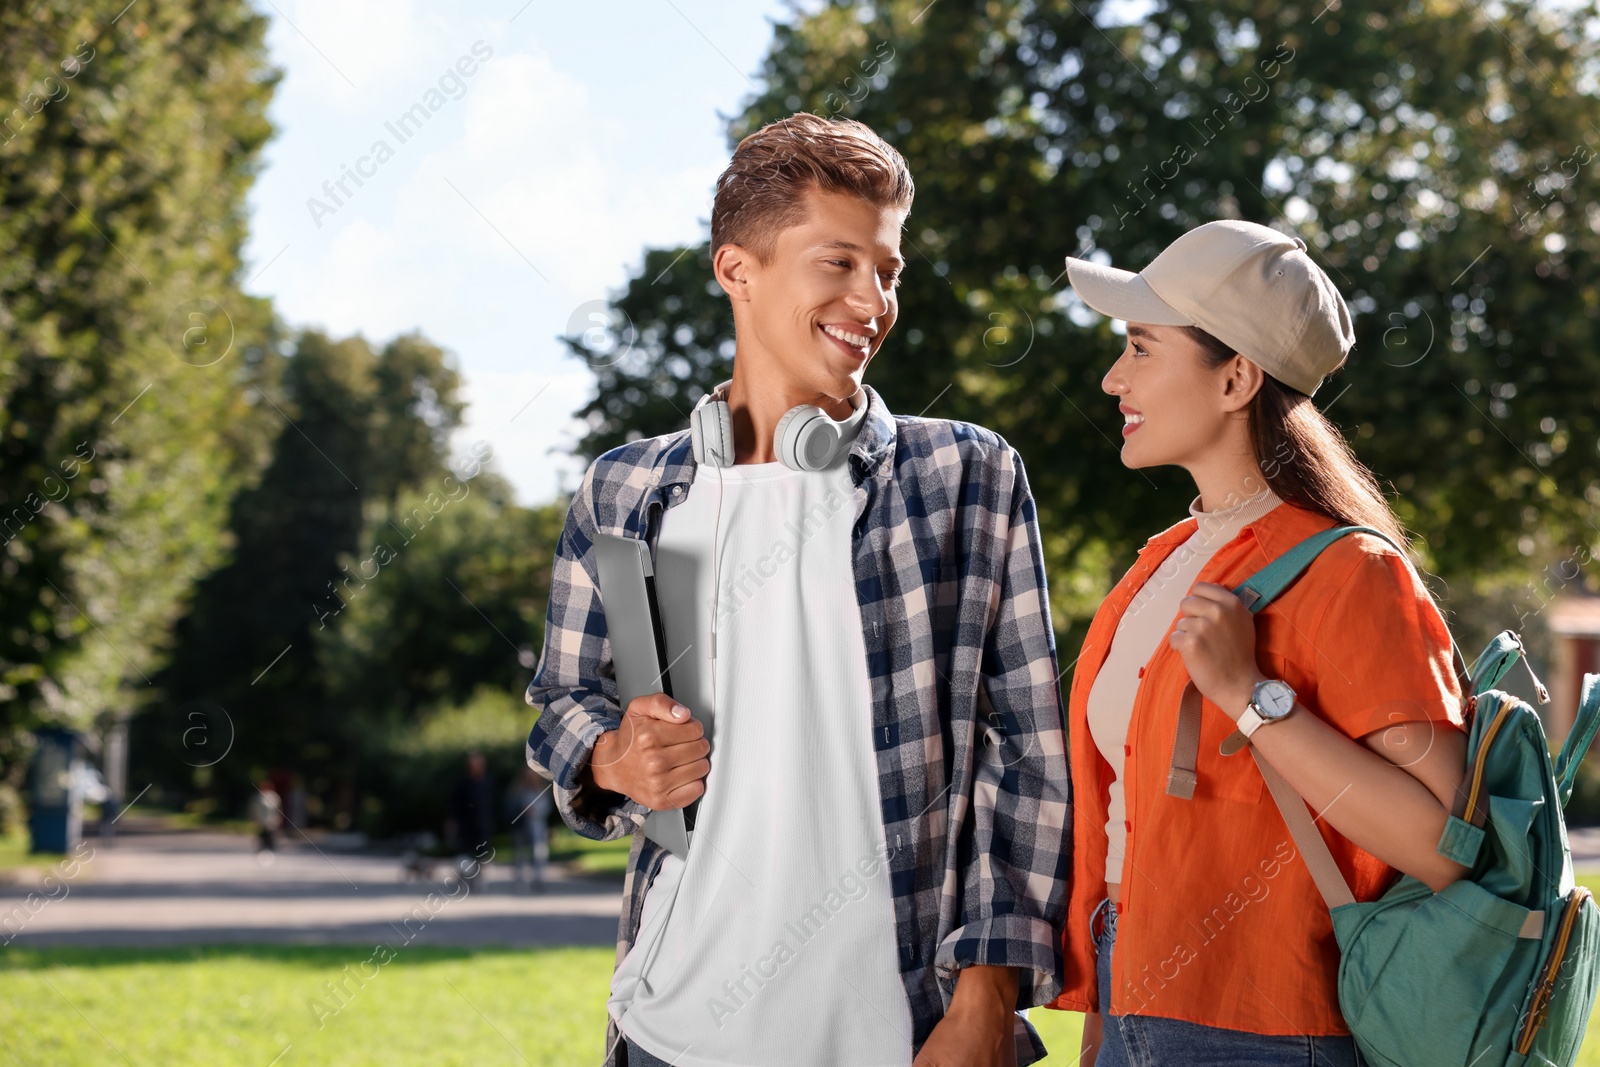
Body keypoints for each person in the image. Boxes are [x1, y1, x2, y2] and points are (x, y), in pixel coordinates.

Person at [524, 113, 1070, 1067]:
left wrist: (986, 999)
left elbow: (1024, 751)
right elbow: (559, 703)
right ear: (738, 271)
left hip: (907, 1033)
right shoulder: (626, 490)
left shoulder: (966, 477)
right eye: (840, 263)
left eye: (888, 271)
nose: (874, 300)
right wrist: (611, 758)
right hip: (674, 1031)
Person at [1044, 220, 1470, 1065]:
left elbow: (1443, 845)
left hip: (1265, 1026)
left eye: (1140, 348)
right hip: (1132, 1000)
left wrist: (1252, 696)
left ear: (1235, 376)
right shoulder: (1161, 561)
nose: (1111, 377)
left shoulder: (1351, 571)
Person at [448, 751, 495, 893]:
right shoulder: (462, 783)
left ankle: (477, 881)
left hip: (482, 825)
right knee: (464, 854)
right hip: (465, 825)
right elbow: (454, 804)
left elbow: (491, 805)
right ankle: (462, 880)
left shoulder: (487, 782)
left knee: (481, 855)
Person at [507, 765, 552, 893]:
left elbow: (546, 808)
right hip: (522, 826)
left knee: (539, 852)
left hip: (537, 825)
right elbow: (512, 808)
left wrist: (535, 812)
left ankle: (539, 879)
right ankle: (520, 879)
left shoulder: (541, 791)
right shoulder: (517, 792)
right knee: (521, 853)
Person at [249, 778, 282, 853]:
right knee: (262, 836)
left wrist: (278, 818)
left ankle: (270, 850)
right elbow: (254, 809)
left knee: (271, 836)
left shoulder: (274, 797)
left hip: (271, 820)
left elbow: (278, 809)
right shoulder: (257, 797)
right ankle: (263, 850)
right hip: (261, 821)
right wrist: (254, 818)